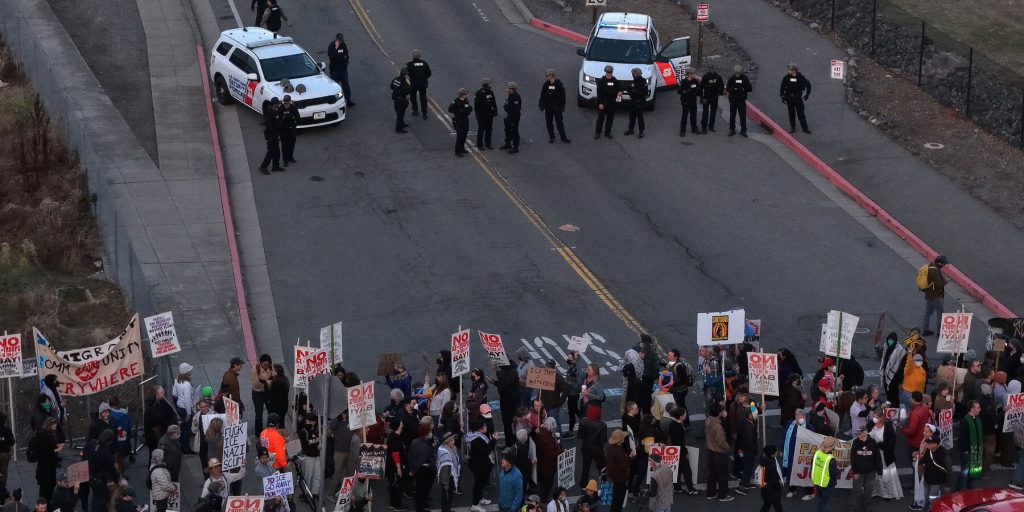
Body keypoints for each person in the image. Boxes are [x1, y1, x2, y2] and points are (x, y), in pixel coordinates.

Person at [849, 425, 883, 512]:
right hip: (858, 472)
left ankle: (867, 508)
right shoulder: (856, 442)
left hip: (870, 472)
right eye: (857, 434)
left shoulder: (873, 442)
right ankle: (853, 509)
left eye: (859, 434)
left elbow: (877, 457)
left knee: (868, 492)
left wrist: (879, 471)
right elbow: (853, 457)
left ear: (865, 433)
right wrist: (855, 471)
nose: (858, 435)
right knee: (856, 491)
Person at [705, 404, 734, 501]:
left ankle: (710, 493)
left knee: (712, 475)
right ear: (719, 413)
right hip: (719, 453)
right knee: (722, 476)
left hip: (710, 452)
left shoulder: (708, 420)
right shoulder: (718, 427)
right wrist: (728, 447)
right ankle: (723, 495)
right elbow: (721, 441)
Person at [870, 414, 902, 500]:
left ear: (881, 417)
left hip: (886, 455)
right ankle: (878, 491)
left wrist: (878, 445)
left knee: (887, 473)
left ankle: (888, 493)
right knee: (877, 472)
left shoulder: (888, 427)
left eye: (876, 417)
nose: (874, 418)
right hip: (876, 454)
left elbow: (891, 442)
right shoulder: (873, 425)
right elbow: (870, 435)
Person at [467, 421, 495, 512]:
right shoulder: (478, 440)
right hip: (478, 465)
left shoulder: (476, 436)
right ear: (480, 429)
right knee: (478, 484)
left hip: (478, 464)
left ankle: (480, 499)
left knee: (481, 483)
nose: (486, 428)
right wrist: (493, 440)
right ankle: (475, 504)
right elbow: (486, 451)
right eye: (485, 426)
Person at [87, 429, 118, 511]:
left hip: (91, 476)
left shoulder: (91, 444)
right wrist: (117, 480)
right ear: (109, 441)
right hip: (100, 479)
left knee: (95, 496)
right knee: (103, 497)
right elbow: (111, 470)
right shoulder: (106, 453)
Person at [408, 420, 436, 512]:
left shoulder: (414, 441)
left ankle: (420, 508)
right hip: (425, 470)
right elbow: (422, 460)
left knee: (420, 490)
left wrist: (412, 470)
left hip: (418, 470)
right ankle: (420, 509)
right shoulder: (425, 446)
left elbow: (410, 456)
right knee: (423, 491)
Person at [33, 417, 61, 501]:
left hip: (48, 467)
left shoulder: (49, 434)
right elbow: (44, 452)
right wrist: (56, 449)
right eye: (54, 424)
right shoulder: (45, 436)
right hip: (45, 468)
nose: (55, 426)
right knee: (46, 489)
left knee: (48, 488)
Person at [957, 400, 984, 490]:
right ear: (972, 409)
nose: (980, 409)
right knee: (964, 472)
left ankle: (968, 488)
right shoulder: (965, 421)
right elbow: (962, 438)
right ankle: (960, 490)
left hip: (974, 451)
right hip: (968, 451)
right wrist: (965, 451)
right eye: (978, 407)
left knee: (970, 472)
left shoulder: (977, 419)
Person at [539, 69, 570, 143]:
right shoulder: (546, 84)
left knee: (559, 122)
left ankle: (563, 137)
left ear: (552, 76)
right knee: (549, 122)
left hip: (557, 107)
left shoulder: (559, 85)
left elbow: (563, 97)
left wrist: (563, 106)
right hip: (548, 107)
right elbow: (542, 95)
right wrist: (541, 105)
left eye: (547, 75)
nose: (546, 77)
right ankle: (551, 137)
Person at [920, 255, 949, 335]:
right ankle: (940, 332)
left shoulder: (930, 267)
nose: (944, 265)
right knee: (940, 313)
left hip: (928, 294)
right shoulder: (935, 271)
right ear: (940, 263)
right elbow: (939, 284)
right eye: (944, 264)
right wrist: (945, 282)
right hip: (935, 296)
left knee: (928, 312)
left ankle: (925, 330)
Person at [779, 63, 812, 134]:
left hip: (797, 98)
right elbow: (782, 87)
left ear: (794, 71)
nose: (788, 71)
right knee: (791, 113)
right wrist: (782, 96)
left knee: (801, 113)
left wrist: (807, 94)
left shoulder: (801, 77)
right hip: (789, 98)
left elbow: (808, 85)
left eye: (790, 70)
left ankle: (805, 128)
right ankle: (792, 127)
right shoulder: (786, 78)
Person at [919, 434, 949, 509]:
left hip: (936, 481)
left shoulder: (944, 454)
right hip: (927, 479)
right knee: (926, 497)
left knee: (932, 499)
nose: (927, 444)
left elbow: (949, 470)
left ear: (935, 444)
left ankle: (933, 509)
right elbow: (922, 461)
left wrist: (947, 485)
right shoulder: (929, 450)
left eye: (929, 443)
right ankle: (926, 509)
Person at [577, 415, 607, 488]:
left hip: (586, 448)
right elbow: (603, 440)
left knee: (586, 467)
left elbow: (579, 435)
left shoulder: (584, 421)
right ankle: (604, 482)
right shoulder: (602, 424)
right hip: (597, 449)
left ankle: (583, 484)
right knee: (601, 467)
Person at [298, 412, 323, 501]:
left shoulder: (317, 430)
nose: (307, 423)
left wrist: (320, 444)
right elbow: (304, 446)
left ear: (314, 422)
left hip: (316, 457)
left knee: (317, 475)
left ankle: (314, 493)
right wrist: (315, 446)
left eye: (309, 422)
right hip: (308, 457)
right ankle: (305, 494)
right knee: (307, 476)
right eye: (306, 421)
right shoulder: (304, 432)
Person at [735, 404, 759, 493]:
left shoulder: (747, 422)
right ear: (749, 415)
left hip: (746, 449)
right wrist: (754, 450)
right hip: (749, 450)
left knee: (748, 467)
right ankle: (741, 486)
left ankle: (746, 483)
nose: (755, 415)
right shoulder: (748, 426)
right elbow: (750, 440)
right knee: (747, 468)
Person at [593, 65, 622, 139]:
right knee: (601, 118)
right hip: (603, 101)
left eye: (611, 72)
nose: (609, 73)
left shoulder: (615, 80)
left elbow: (619, 88)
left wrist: (619, 92)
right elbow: (599, 93)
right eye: (608, 72)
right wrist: (600, 103)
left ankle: (607, 132)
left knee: (610, 118)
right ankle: (597, 133)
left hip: (611, 102)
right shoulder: (602, 81)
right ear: (605, 71)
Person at [811, 436, 838, 512]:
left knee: (821, 501)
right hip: (827, 485)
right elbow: (833, 474)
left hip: (817, 482)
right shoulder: (831, 459)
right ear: (832, 447)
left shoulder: (817, 454)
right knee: (824, 503)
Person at [327, 33, 355, 107]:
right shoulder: (332, 45)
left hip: (343, 69)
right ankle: (335, 102)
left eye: (341, 40)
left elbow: (346, 53)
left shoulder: (343, 45)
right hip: (335, 70)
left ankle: (348, 100)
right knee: (335, 87)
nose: (340, 42)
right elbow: (331, 56)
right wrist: (336, 48)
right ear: (336, 39)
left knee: (346, 85)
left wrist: (346, 62)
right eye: (339, 40)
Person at [535, 418, 560, 499]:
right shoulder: (548, 438)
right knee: (548, 483)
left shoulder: (541, 432)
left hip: (541, 463)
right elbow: (550, 454)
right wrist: (561, 451)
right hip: (548, 466)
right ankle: (543, 499)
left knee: (542, 481)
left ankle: (539, 495)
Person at [437, 431, 461, 512]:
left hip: (450, 476)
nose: (453, 442)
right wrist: (446, 484)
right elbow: (445, 471)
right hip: (447, 479)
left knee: (448, 497)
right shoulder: (445, 453)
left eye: (453, 440)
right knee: (446, 497)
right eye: (450, 441)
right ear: (446, 442)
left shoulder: (451, 448)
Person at [725, 65, 752, 136]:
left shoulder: (744, 78)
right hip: (733, 99)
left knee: (742, 116)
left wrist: (743, 89)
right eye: (736, 73)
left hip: (741, 99)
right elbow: (727, 88)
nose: (737, 74)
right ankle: (732, 129)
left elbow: (749, 88)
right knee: (732, 115)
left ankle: (743, 130)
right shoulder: (732, 78)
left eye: (738, 73)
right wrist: (733, 89)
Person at [259, 97, 284, 174]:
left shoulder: (273, 111)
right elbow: (273, 125)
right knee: (270, 152)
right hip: (272, 136)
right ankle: (263, 167)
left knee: (277, 151)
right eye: (277, 104)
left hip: (274, 135)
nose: (279, 105)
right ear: (275, 104)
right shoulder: (271, 113)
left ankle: (275, 166)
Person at [757, 445, 784, 512]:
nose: (777, 452)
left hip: (765, 489)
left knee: (767, 504)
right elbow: (774, 480)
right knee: (778, 506)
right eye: (775, 451)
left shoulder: (763, 461)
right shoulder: (771, 464)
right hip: (773, 490)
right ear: (771, 453)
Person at [406, 50, 432, 119]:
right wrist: (424, 78)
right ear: (420, 56)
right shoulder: (424, 63)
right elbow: (429, 73)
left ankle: (415, 110)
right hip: (422, 84)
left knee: (413, 97)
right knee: (423, 98)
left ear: (412, 56)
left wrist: (411, 76)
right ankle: (424, 113)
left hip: (414, 84)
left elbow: (405, 72)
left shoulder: (409, 64)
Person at [623, 67, 647, 138]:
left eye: (634, 73)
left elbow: (644, 92)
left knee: (640, 117)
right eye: (633, 73)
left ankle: (641, 132)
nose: (633, 75)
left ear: (637, 74)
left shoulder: (643, 81)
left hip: (640, 102)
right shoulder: (634, 81)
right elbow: (629, 89)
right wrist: (633, 92)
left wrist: (635, 92)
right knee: (632, 117)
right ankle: (631, 130)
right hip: (633, 101)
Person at [499, 82, 522, 154]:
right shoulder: (510, 96)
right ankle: (508, 144)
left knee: (514, 131)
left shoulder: (516, 97)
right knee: (507, 130)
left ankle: (515, 147)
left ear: (512, 89)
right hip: (509, 116)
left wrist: (506, 107)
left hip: (514, 117)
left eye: (508, 88)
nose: (506, 90)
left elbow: (515, 109)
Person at [449, 88, 473, 157]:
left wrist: (469, 108)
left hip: (465, 119)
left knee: (464, 135)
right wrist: (458, 111)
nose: (467, 95)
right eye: (466, 94)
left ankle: (462, 148)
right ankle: (457, 151)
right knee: (459, 136)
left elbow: (469, 108)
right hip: (459, 120)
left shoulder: (465, 101)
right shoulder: (456, 101)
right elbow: (450, 109)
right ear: (462, 95)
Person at [475, 78, 498, 149]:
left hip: (489, 115)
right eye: (488, 85)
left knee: (489, 129)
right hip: (482, 115)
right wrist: (477, 115)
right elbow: (476, 105)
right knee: (481, 130)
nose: (489, 87)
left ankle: (488, 143)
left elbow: (494, 102)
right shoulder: (478, 93)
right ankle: (480, 145)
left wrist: (495, 111)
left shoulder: (490, 92)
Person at [677, 68, 701, 137]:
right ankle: (682, 131)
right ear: (688, 74)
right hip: (686, 101)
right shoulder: (684, 82)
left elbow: (698, 88)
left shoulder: (695, 81)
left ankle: (694, 129)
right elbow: (679, 91)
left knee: (693, 115)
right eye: (692, 74)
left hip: (693, 101)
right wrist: (686, 91)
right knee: (684, 116)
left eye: (693, 73)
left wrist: (697, 92)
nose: (693, 75)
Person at [700, 65, 724, 133]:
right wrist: (703, 97)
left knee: (713, 113)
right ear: (708, 69)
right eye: (711, 69)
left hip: (714, 97)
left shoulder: (718, 77)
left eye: (713, 69)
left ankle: (711, 126)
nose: (712, 70)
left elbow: (721, 86)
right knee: (705, 113)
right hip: (706, 97)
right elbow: (701, 88)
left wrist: (719, 93)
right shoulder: (705, 77)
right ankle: (704, 127)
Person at [278, 95, 299, 166]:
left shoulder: (293, 107)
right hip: (284, 130)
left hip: (291, 129)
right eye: (285, 101)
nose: (286, 103)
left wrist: (293, 118)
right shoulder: (281, 108)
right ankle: (285, 160)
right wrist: (283, 118)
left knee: (292, 144)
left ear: (290, 101)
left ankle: (290, 157)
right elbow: (278, 119)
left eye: (287, 101)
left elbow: (298, 117)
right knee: (284, 146)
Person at [391, 68, 412, 133]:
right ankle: (398, 129)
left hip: (395, 99)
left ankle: (402, 123)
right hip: (401, 100)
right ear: (405, 75)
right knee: (400, 114)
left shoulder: (395, 80)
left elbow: (391, 87)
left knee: (399, 112)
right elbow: (407, 91)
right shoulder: (404, 83)